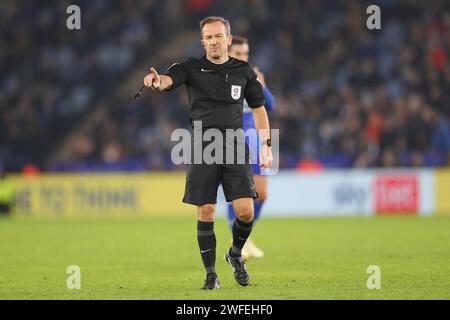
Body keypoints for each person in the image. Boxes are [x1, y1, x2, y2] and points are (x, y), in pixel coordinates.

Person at [143, 16, 273, 290]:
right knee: (206, 211)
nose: (214, 41)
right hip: (203, 146)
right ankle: (211, 275)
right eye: (209, 37)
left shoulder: (244, 71)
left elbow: (260, 110)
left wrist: (266, 146)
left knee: (246, 211)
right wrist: (157, 81)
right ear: (203, 42)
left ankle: (235, 253)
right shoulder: (190, 67)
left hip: (235, 145)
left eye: (218, 36)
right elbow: (168, 80)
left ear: (228, 39)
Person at [227, 36, 276, 259]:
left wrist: (262, 87)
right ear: (228, 54)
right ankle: (235, 240)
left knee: (262, 194)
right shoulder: (222, 77)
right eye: (238, 54)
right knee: (238, 193)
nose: (243, 58)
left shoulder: (252, 75)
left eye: (245, 54)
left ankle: (245, 238)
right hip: (232, 138)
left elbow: (271, 106)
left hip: (255, 138)